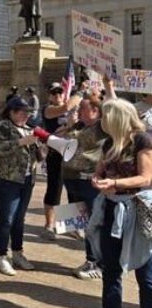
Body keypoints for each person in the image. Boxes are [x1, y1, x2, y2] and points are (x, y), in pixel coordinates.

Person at [89, 98, 152, 308]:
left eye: (106, 116)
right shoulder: (109, 143)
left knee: (145, 275)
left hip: (137, 209)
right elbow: (99, 170)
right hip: (112, 208)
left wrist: (116, 184)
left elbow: (146, 178)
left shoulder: (142, 140)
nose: (102, 120)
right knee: (111, 269)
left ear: (117, 118)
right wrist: (97, 179)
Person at [0, 98, 43, 276]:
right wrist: (20, 142)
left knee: (19, 219)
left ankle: (18, 253)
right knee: (7, 219)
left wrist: (42, 151)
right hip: (7, 180)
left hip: (26, 179)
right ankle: (1, 256)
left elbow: (36, 156)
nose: (26, 115)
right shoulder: (2, 127)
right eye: (22, 111)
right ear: (12, 111)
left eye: (28, 112)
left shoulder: (28, 129)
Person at [56, 96, 108, 280]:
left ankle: (98, 263)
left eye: (83, 109)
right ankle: (89, 259)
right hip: (71, 178)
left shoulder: (102, 126)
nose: (78, 112)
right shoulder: (78, 126)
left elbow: (111, 106)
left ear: (95, 110)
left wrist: (106, 87)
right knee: (79, 221)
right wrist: (68, 128)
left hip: (88, 180)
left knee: (94, 223)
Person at [39, 82, 82, 241]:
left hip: (71, 154)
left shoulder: (73, 111)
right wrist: (81, 92)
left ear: (65, 94)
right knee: (54, 190)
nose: (57, 95)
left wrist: (73, 124)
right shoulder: (48, 110)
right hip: (55, 153)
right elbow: (63, 111)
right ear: (50, 96)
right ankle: (49, 226)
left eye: (60, 92)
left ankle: (71, 226)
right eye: (54, 93)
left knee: (74, 191)